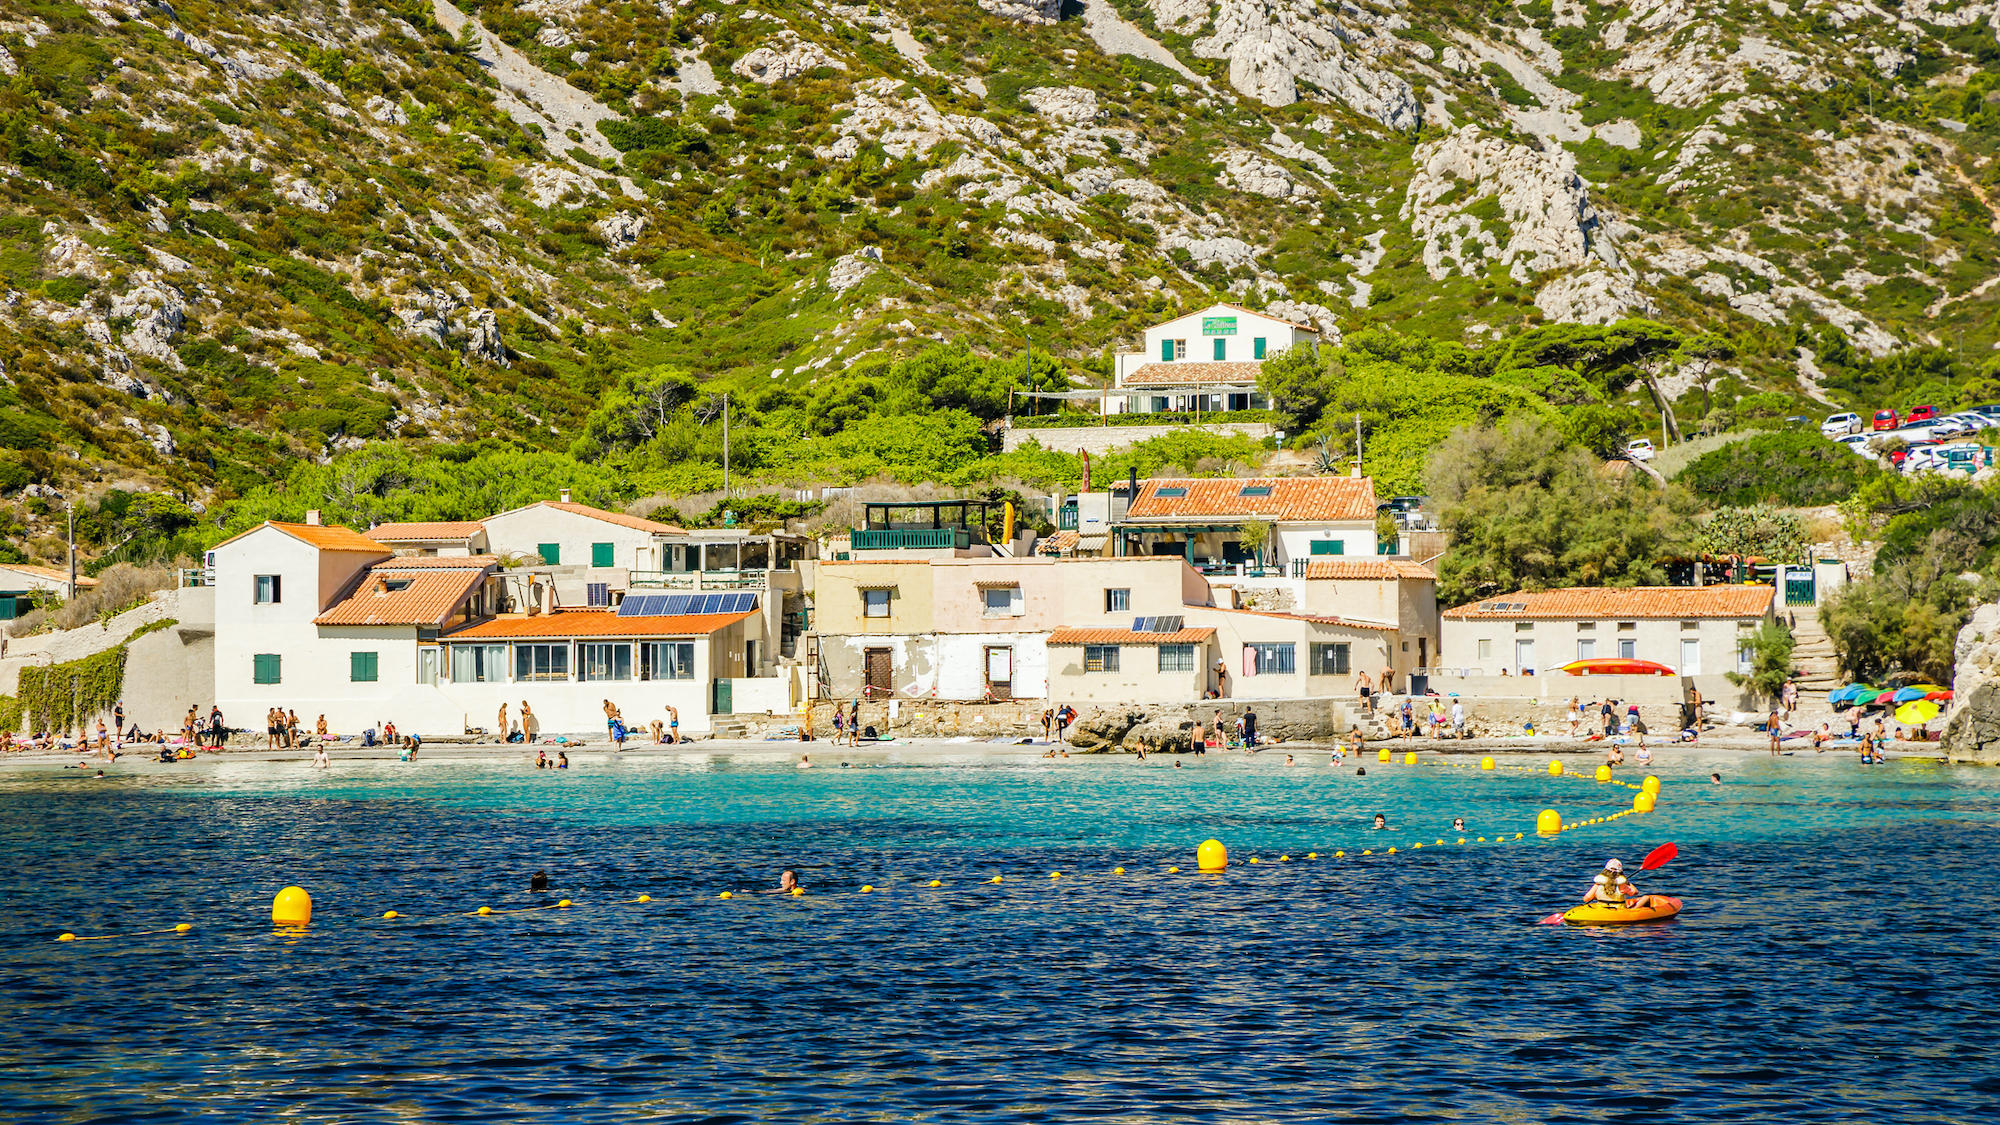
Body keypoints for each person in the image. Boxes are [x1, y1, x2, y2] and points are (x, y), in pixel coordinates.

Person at [1583, 858, 1666, 911]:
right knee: (1646, 898)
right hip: (1619, 910)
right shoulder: (1622, 885)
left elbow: (1586, 899)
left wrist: (1598, 897)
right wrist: (1627, 882)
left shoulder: (1598, 884)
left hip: (1601, 908)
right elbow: (1635, 892)